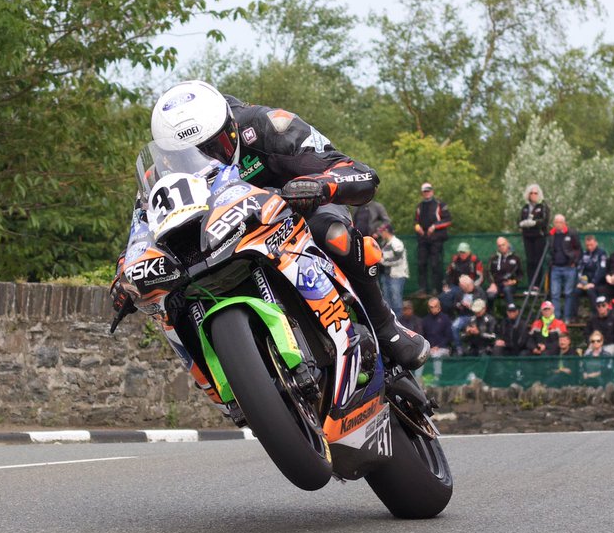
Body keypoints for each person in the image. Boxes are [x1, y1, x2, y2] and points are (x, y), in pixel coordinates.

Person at [111, 80, 428, 374]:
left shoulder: (268, 125)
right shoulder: (159, 174)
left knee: (334, 233)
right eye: (188, 155)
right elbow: (141, 231)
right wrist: (125, 275)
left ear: (231, 128)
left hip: (296, 213)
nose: (206, 160)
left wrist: (320, 185)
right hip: (216, 246)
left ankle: (387, 327)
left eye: (212, 147)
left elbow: (356, 171)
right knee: (171, 299)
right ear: (168, 156)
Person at [414, 182, 452, 295]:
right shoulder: (419, 206)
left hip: (436, 239)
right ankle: (423, 289)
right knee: (421, 264)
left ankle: (437, 289)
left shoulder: (440, 204)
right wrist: (417, 227)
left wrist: (435, 226)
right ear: (422, 193)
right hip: (423, 239)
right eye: (425, 191)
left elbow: (448, 220)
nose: (427, 193)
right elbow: (415, 221)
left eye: (429, 190)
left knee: (435, 264)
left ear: (432, 191)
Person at [518, 184, 551, 289]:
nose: (533, 195)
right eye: (531, 193)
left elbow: (545, 221)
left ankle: (537, 285)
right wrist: (523, 223)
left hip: (539, 236)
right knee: (530, 261)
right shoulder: (525, 207)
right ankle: (531, 284)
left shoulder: (543, 206)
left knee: (538, 260)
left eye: (535, 193)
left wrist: (535, 223)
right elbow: (519, 220)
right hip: (527, 236)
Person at [547, 214, 582, 314]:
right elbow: (549, 250)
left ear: (564, 223)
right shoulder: (551, 235)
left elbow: (578, 249)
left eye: (560, 222)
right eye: (556, 222)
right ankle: (556, 318)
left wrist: (574, 262)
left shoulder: (572, 233)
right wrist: (551, 262)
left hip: (569, 267)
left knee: (568, 293)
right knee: (554, 294)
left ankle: (567, 317)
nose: (558, 224)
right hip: (555, 268)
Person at [442, 274, 487, 349]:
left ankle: (480, 348)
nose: (462, 288)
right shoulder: (460, 292)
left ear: (468, 285)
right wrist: (459, 305)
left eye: (463, 286)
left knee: (475, 329)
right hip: (464, 316)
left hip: (476, 316)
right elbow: (455, 304)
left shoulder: (479, 291)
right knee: (454, 326)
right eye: (461, 286)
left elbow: (483, 305)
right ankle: (459, 348)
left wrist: (471, 306)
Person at [570, 234, 607, 319]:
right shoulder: (584, 254)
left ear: (596, 243)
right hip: (586, 282)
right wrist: (582, 283)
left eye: (591, 245)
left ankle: (595, 315)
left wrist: (593, 283)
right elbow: (580, 269)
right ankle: (573, 317)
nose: (589, 247)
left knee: (591, 291)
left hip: (598, 283)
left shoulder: (601, 253)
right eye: (587, 245)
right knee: (575, 292)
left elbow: (601, 269)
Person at [377, 224, 409, 315]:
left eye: (382, 231)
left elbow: (398, 259)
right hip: (386, 275)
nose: (381, 234)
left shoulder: (396, 243)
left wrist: (382, 261)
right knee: (387, 302)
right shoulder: (385, 243)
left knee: (396, 301)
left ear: (386, 231)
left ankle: (398, 323)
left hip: (396, 276)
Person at [487, 236, 522, 309]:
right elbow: (488, 272)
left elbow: (520, 274)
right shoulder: (493, 258)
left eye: (503, 245)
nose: (502, 247)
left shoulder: (515, 257)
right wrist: (492, 283)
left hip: (510, 285)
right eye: (499, 246)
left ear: (508, 244)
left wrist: (514, 281)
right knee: (490, 296)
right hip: (497, 285)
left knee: (507, 289)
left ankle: (512, 311)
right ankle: (490, 316)